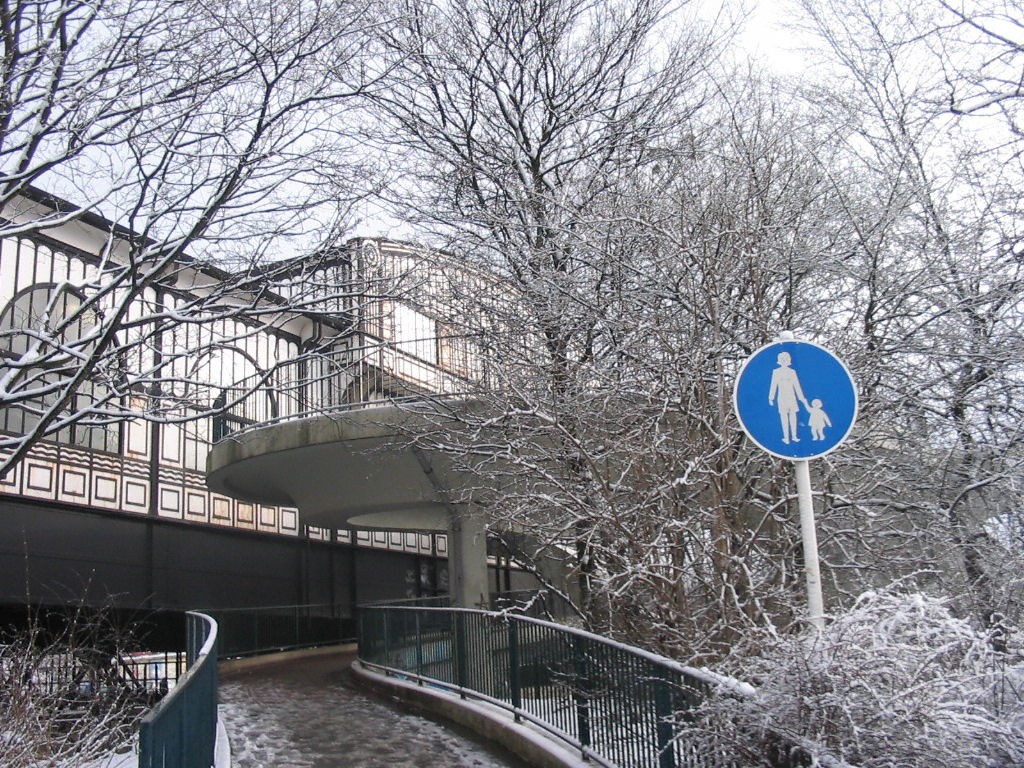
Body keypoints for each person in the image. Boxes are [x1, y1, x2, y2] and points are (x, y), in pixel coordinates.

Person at [768, 351, 809, 444]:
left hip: (792, 397)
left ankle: (794, 436)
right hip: (782, 398)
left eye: (786, 359)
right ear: (779, 360)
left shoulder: (792, 372)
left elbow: (797, 386)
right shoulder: (776, 372)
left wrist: (801, 398)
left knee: (793, 417)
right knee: (784, 418)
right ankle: (786, 437)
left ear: (789, 360)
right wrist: (771, 398)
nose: (784, 361)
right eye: (782, 359)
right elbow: (773, 385)